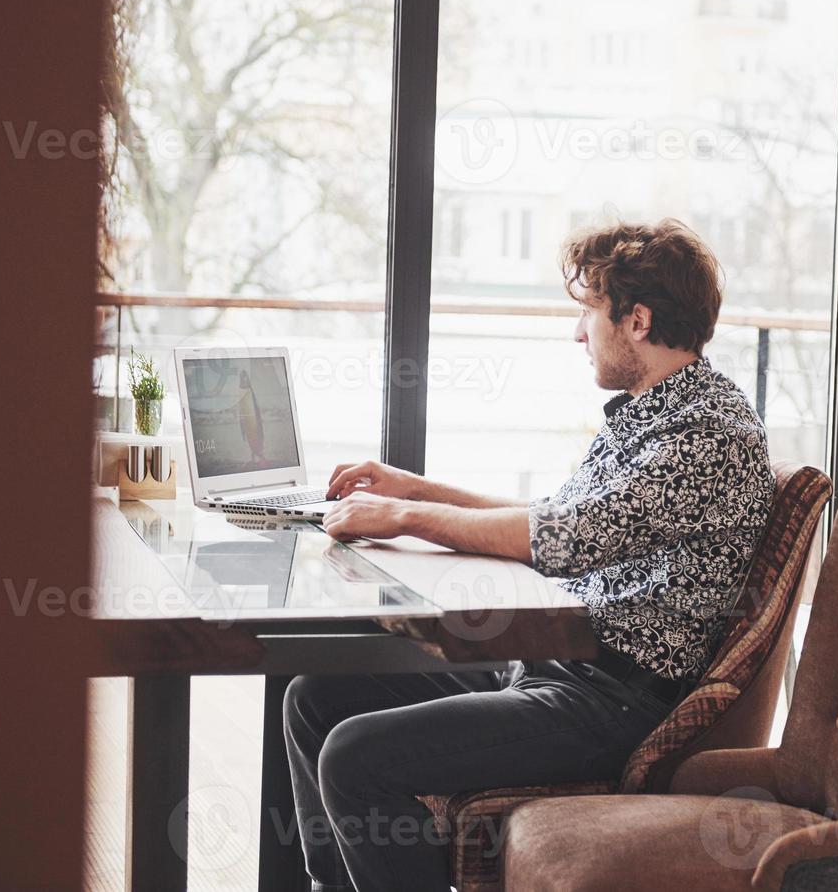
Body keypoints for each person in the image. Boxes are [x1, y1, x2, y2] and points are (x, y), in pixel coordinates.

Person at [283, 219, 776, 892]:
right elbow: (553, 518)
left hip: (614, 704)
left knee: (356, 757)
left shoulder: (704, 434)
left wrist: (402, 516)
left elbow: (560, 540)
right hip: (560, 668)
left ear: (636, 319)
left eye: (587, 313)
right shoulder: (655, 411)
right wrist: (413, 487)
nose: (579, 334)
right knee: (316, 697)